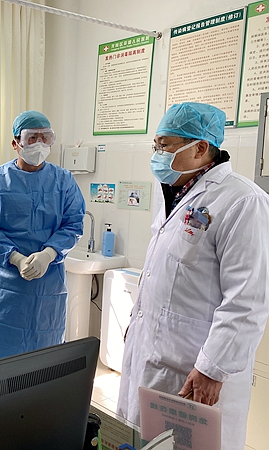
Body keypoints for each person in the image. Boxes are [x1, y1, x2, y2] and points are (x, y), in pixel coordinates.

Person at [117, 102, 269, 450]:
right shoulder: (174, 194)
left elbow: (247, 300)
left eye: (165, 145)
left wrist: (213, 368)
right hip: (153, 354)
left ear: (200, 148)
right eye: (156, 145)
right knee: (145, 440)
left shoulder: (243, 202)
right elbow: (164, 273)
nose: (157, 154)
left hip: (195, 368)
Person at [0, 110, 85, 363]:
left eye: (46, 137)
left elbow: (73, 223)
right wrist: (15, 258)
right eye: (32, 138)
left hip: (47, 285)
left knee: (42, 361)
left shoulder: (64, 181)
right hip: (4, 286)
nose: (39, 144)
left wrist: (49, 254)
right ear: (16, 143)